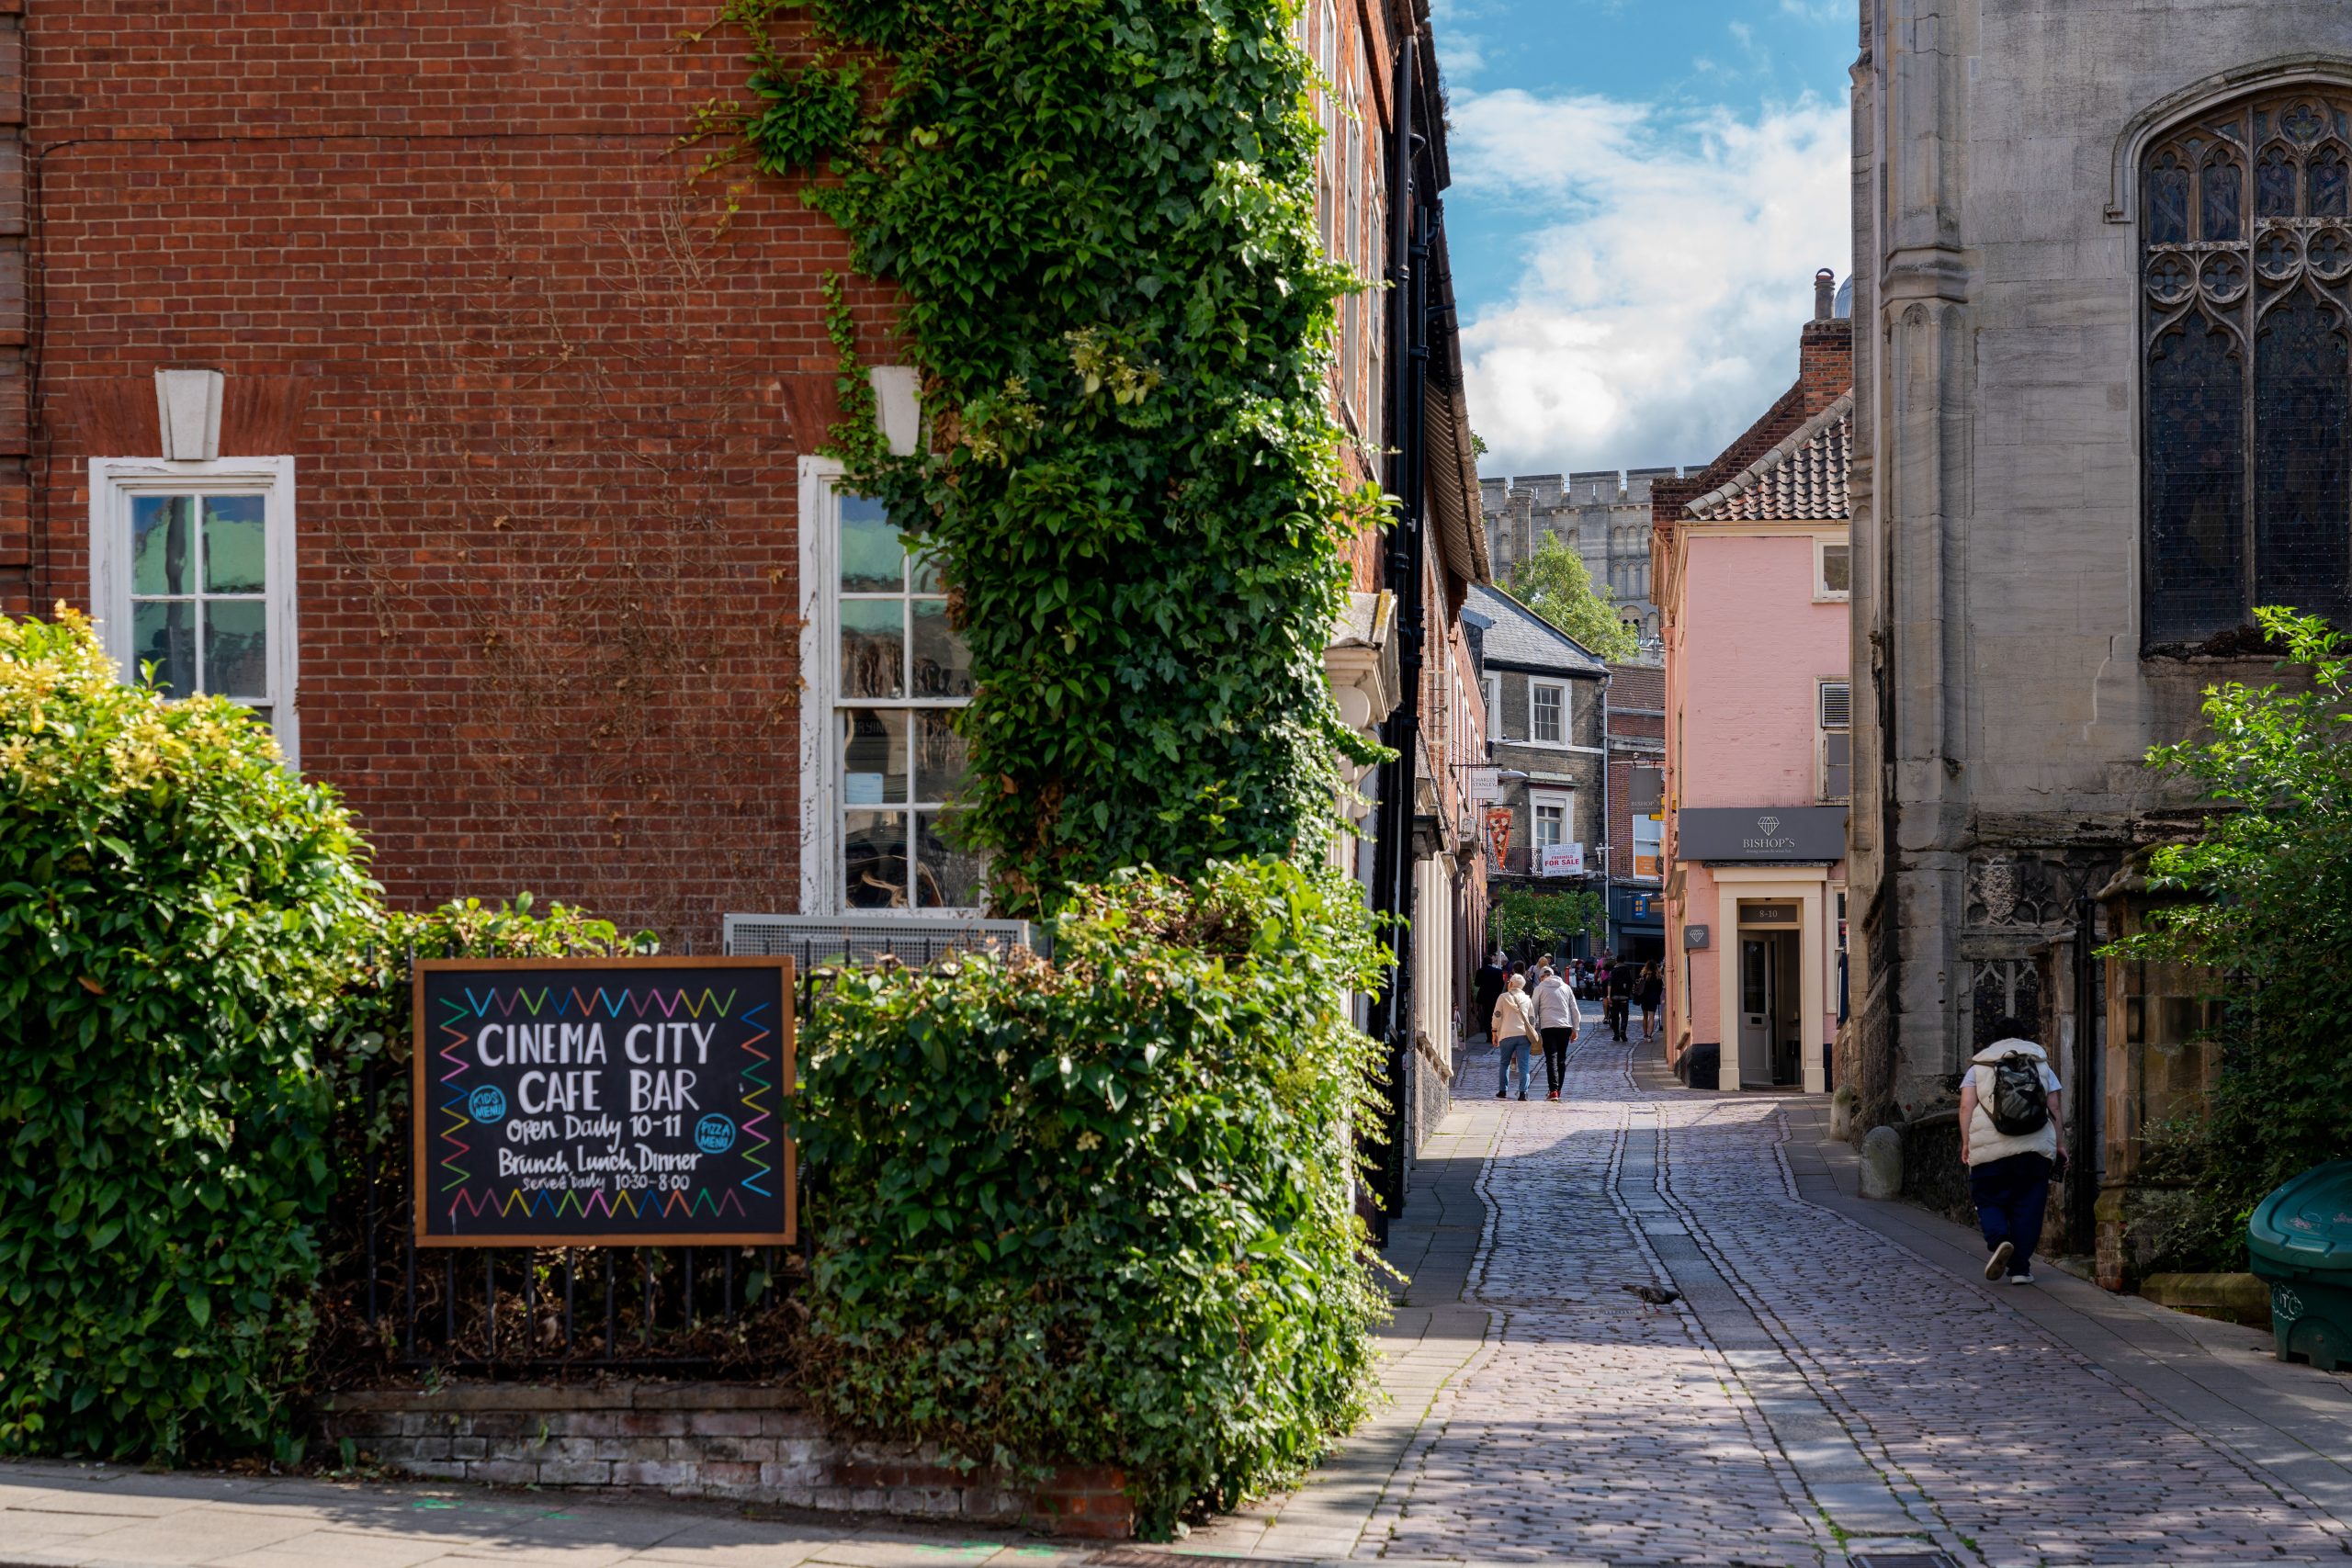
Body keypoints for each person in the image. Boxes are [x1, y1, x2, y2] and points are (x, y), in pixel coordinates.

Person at [1959, 1018, 2066, 1286]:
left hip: (1989, 1149)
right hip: (2034, 1147)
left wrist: (1966, 1142)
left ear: (1995, 1040)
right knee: (2028, 1206)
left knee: (1988, 1198)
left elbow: (1965, 1108)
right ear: (2024, 1037)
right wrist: (2060, 1145)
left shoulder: (1980, 1066)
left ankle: (1999, 1239)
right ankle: (2020, 1269)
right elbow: (2054, 1108)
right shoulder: (2041, 1063)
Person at [1532, 964, 1581, 1101]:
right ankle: (1558, 1090)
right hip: (1564, 1027)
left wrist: (1533, 1027)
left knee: (1551, 1059)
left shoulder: (1539, 988)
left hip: (1547, 1027)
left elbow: (1533, 1010)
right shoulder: (1566, 988)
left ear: (1541, 977)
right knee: (1561, 1059)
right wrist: (1575, 1029)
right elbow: (1574, 1009)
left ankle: (1553, 1090)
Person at [1490, 973, 1539, 1102]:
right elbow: (1532, 1018)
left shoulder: (1503, 997)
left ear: (1511, 983)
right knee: (1524, 1064)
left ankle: (1502, 1091)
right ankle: (1523, 1093)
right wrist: (1532, 1029)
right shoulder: (1527, 999)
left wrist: (1494, 1031)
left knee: (1504, 1063)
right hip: (1523, 1035)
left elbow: (1497, 1015)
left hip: (1506, 1034)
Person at [1471, 950, 1507, 1043]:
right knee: (1495, 1015)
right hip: (1495, 997)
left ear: (1483, 963)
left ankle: (1489, 1036)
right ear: (1491, 962)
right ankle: (1496, 1035)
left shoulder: (1480, 971)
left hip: (1484, 998)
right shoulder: (1498, 972)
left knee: (1487, 1016)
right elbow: (1501, 985)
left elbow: (1477, 984)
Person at [1605, 955, 1635, 1042]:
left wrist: (1608, 995)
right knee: (1624, 1015)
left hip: (1614, 996)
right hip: (1624, 996)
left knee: (1614, 1016)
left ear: (1616, 961)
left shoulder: (1613, 971)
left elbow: (1610, 984)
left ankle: (1616, 1034)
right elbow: (1630, 982)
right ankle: (1623, 1031)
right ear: (1624, 961)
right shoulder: (1627, 970)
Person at [1636, 963, 1664, 1041]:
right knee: (1651, 1017)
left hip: (1644, 997)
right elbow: (1660, 989)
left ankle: (1645, 1035)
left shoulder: (1644, 975)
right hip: (1653, 998)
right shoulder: (1658, 976)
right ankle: (1649, 1036)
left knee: (1645, 1017)